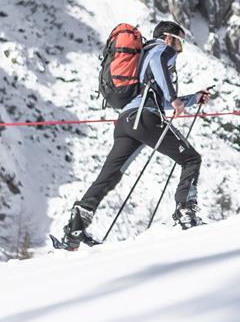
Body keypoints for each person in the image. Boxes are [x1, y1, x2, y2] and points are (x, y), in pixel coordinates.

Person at [60, 20, 211, 249]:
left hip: (126, 121)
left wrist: (192, 98)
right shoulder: (162, 49)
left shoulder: (140, 57)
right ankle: (186, 212)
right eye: (180, 42)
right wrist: (174, 98)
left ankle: (75, 228)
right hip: (145, 118)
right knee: (191, 159)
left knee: (110, 174)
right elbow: (161, 73)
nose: (180, 49)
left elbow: (154, 96)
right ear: (169, 37)